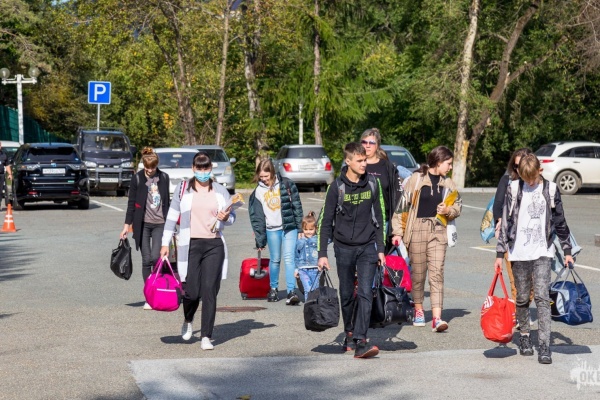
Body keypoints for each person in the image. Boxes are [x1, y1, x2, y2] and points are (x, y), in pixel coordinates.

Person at [494, 153, 573, 364]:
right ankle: (525, 336)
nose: (529, 183)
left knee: (542, 297)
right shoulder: (513, 188)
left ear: (540, 170)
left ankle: (545, 345)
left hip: (543, 251)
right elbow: (506, 223)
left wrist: (567, 250)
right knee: (522, 298)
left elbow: (560, 221)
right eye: (525, 178)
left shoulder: (551, 189)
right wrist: (500, 254)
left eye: (532, 178)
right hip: (519, 252)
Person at [159, 152, 235, 350]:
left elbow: (232, 216)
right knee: (191, 292)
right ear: (193, 169)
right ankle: (188, 318)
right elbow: (171, 216)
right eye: (199, 168)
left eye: (206, 168)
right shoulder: (183, 188)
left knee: (209, 290)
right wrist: (165, 243)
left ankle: (206, 336)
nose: (202, 172)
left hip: (214, 245)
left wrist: (226, 217)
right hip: (190, 245)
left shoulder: (220, 190)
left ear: (211, 168)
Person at [317, 142, 386, 359]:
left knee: (365, 292)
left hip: (367, 247)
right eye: (360, 160)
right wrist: (322, 253)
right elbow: (325, 221)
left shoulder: (372, 183)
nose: (364, 164)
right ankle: (349, 332)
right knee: (346, 294)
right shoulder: (336, 187)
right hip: (343, 248)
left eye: (365, 160)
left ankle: (361, 340)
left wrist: (381, 248)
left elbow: (379, 216)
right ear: (348, 161)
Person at [391, 145, 462, 332]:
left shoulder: (448, 183)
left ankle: (437, 318)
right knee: (418, 274)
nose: (450, 167)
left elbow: (458, 206)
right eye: (448, 163)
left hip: (438, 230)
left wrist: (449, 210)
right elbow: (402, 207)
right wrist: (397, 232)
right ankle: (419, 310)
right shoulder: (416, 179)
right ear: (438, 162)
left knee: (437, 273)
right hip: (416, 229)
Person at [120, 147, 170, 309]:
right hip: (142, 224)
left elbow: (167, 203)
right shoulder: (137, 179)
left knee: (156, 257)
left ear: (157, 165)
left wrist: (171, 225)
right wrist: (126, 226)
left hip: (160, 223)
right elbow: (131, 204)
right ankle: (149, 296)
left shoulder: (164, 177)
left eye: (152, 168)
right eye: (147, 168)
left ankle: (159, 288)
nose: (149, 171)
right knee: (146, 259)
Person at [249, 159, 304, 305]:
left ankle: (291, 292)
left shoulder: (286, 184)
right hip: (272, 229)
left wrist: (300, 228)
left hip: (289, 227)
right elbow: (257, 218)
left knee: (289, 258)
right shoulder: (258, 192)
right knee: (275, 259)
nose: (264, 179)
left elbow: (297, 206)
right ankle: (273, 289)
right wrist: (260, 240)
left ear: (272, 173)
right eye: (261, 177)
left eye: (266, 176)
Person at [492, 148, 533, 300]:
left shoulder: (539, 184)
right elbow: (497, 205)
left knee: (533, 284)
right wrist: (500, 220)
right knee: (515, 281)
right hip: (511, 239)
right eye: (515, 166)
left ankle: (522, 306)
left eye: (521, 166)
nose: (518, 169)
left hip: (532, 240)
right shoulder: (507, 181)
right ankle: (518, 310)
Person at [360, 128, 400, 229]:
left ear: (377, 145)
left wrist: (397, 225)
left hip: (383, 221)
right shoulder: (355, 166)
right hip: (360, 222)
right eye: (364, 142)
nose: (367, 145)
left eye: (371, 142)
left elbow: (398, 196)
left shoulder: (387, 167)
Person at [294, 211, 319, 301]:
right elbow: (296, 255)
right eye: (306, 229)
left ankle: (315, 306)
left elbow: (328, 240)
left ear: (315, 228)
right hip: (303, 269)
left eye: (311, 229)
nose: (308, 232)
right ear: (303, 229)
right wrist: (296, 269)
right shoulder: (300, 241)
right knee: (307, 289)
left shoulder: (317, 239)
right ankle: (308, 306)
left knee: (315, 290)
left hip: (316, 269)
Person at [0, 142, 13, 210]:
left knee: (0, 191)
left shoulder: (3, 155)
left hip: (1, 175)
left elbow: (7, 165)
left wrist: (10, 174)